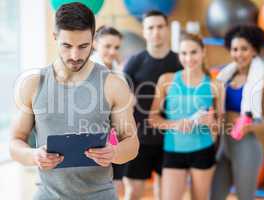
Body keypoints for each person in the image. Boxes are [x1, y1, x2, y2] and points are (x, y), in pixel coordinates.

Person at [10, 3, 139, 200]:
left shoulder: (113, 84)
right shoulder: (33, 84)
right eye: (67, 46)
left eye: (83, 46)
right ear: (55, 37)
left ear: (94, 40)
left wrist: (114, 152)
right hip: (48, 195)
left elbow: (132, 143)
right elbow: (15, 142)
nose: (75, 56)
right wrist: (34, 155)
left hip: (100, 195)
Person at [148, 33, 222, 200]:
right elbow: (152, 119)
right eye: (184, 53)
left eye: (193, 52)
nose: (189, 58)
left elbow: (220, 125)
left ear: (203, 52)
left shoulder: (214, 85)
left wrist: (212, 122)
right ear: (179, 55)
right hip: (173, 151)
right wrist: (175, 124)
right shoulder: (166, 80)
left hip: (203, 150)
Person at [210, 25, 264, 200]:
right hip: (224, 146)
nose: (239, 54)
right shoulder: (224, 78)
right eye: (235, 49)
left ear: (254, 50)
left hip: (247, 147)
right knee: (214, 196)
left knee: (245, 197)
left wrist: (249, 128)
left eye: (244, 49)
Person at [123, 10, 182, 200]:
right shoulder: (134, 62)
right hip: (139, 140)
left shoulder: (180, 62)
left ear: (167, 29)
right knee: (134, 193)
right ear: (144, 31)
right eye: (151, 27)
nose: (156, 32)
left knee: (166, 195)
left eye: (160, 27)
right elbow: (122, 102)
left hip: (170, 141)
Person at [92, 25, 127, 195]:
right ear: (95, 44)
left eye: (116, 47)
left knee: (117, 187)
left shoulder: (117, 70)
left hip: (115, 138)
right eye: (107, 46)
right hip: (94, 139)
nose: (112, 51)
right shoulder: (88, 70)